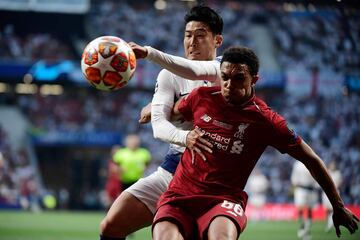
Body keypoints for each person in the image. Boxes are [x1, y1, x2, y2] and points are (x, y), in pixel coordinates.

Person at [151, 46, 359, 240]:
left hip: (223, 200)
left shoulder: (267, 121)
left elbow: (311, 159)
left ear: (254, 80)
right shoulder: (202, 96)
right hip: (179, 194)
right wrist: (153, 108)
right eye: (224, 77)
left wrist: (338, 206)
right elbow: (171, 110)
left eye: (238, 78)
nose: (229, 85)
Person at [100, 6, 223, 239]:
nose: (192, 41)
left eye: (200, 35)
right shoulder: (168, 75)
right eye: (188, 35)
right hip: (172, 169)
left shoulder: (225, 69)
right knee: (111, 225)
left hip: (212, 180)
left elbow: (196, 71)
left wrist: (149, 53)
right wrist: (183, 135)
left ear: (217, 40)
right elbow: (158, 125)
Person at [291, 160, 319, 239]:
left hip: (311, 189)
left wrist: (317, 185)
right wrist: (294, 187)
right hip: (301, 189)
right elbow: (294, 177)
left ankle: (308, 230)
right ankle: (302, 226)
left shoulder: (313, 162)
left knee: (310, 210)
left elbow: (317, 176)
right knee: (300, 208)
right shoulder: (298, 164)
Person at [322, 160, 342, 232]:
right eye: (331, 165)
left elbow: (340, 183)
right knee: (327, 209)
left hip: (334, 192)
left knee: (333, 209)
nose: (332, 166)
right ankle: (329, 223)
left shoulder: (337, 174)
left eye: (333, 165)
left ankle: (331, 224)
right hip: (326, 193)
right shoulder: (328, 172)